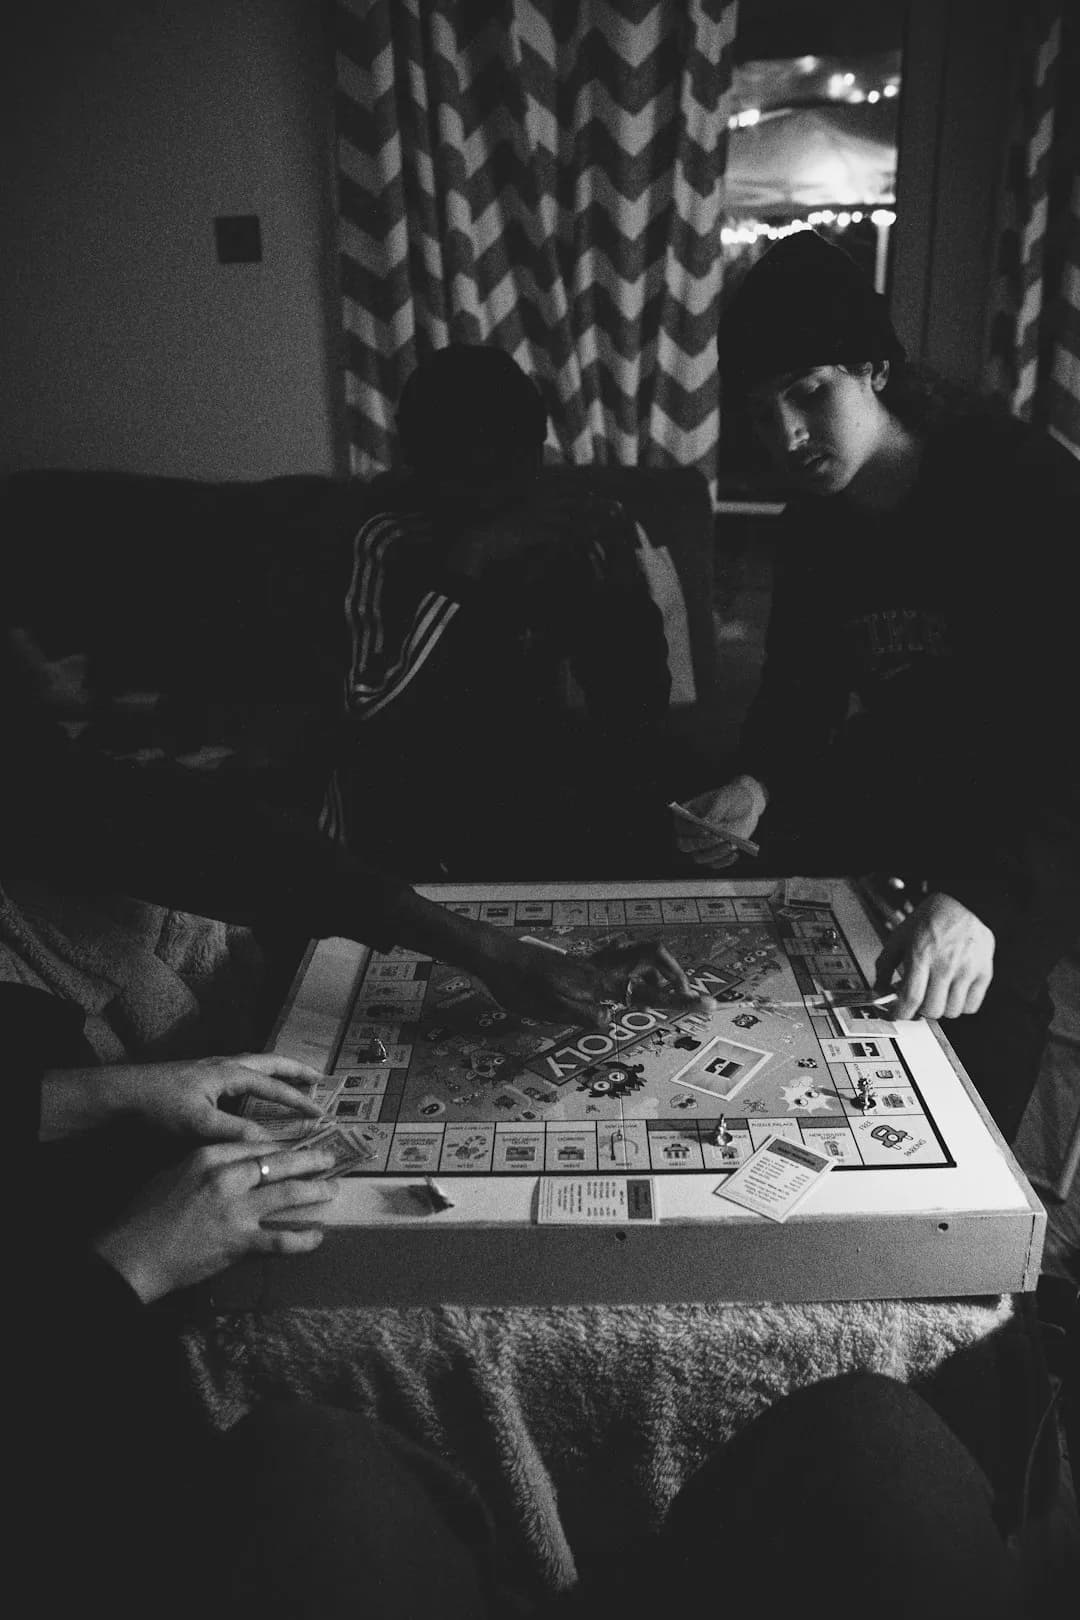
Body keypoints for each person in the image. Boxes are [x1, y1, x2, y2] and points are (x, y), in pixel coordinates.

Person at [677, 229, 1080, 1138]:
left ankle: (972, 1236)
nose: (785, 432)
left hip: (1045, 800)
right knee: (756, 904)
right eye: (760, 408)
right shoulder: (816, 521)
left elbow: (1065, 735)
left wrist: (980, 897)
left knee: (983, 994)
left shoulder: (1026, 489)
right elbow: (799, 687)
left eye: (809, 392)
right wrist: (758, 781)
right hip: (918, 769)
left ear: (874, 370)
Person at [324, 342, 676, 880]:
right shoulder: (389, 540)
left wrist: (618, 583)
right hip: (415, 807)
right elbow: (367, 711)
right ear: (421, 469)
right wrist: (465, 565)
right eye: (469, 478)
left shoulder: (569, 524)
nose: (497, 499)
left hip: (542, 806)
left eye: (515, 469)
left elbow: (637, 715)